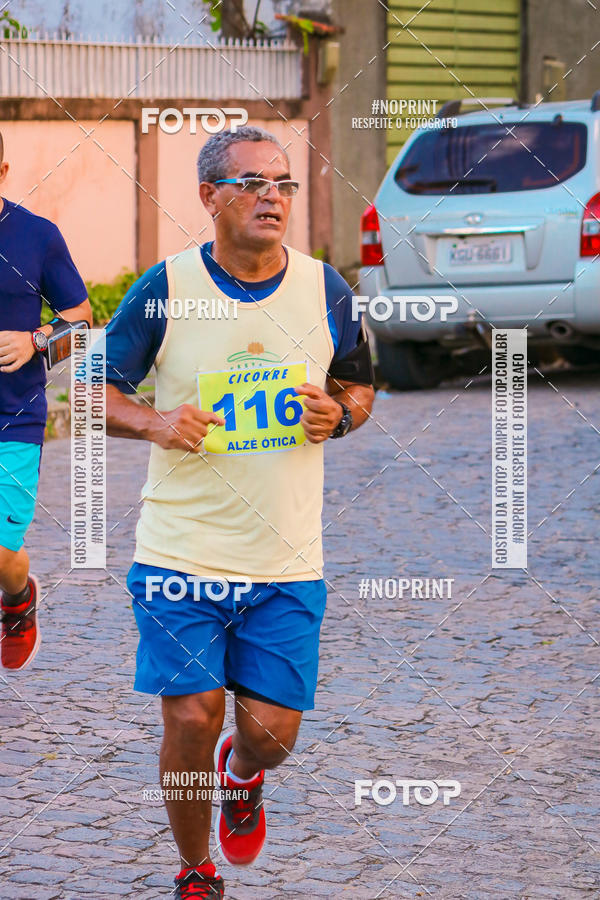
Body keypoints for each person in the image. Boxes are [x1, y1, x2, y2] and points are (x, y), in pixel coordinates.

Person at [104, 125, 374, 898]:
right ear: (208, 196)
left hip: (284, 557)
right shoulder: (164, 287)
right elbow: (93, 390)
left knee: (268, 736)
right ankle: (196, 871)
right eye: (252, 182)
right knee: (191, 718)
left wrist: (342, 415)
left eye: (283, 183)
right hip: (179, 551)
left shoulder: (328, 289)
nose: (272, 197)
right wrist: (157, 421)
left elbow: (360, 383)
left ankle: (244, 778)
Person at [0, 130, 92, 670]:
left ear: (3, 172)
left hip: (12, 420)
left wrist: (34, 340)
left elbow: (81, 324)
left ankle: (17, 595)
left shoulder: (37, 236)